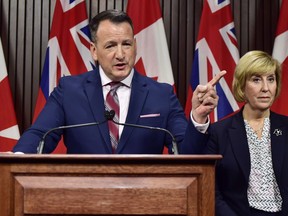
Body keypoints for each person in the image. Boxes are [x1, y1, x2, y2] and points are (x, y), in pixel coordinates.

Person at [11, 9, 224, 154]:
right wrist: (18, 160)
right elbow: (39, 135)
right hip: (83, 201)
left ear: (136, 46)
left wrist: (197, 117)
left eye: (127, 44)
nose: (120, 54)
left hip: (145, 202)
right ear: (94, 51)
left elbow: (187, 154)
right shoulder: (69, 91)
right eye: (111, 45)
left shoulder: (161, 94)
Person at [183, 50, 288, 216]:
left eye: (271, 79)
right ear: (241, 86)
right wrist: (199, 115)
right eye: (256, 80)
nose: (265, 88)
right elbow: (206, 185)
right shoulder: (220, 132)